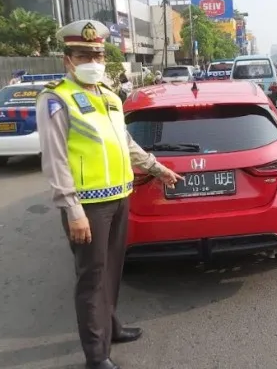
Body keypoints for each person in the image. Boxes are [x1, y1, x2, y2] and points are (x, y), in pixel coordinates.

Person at [36, 20, 182, 369]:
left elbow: (125, 144)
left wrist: (157, 168)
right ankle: (96, 355)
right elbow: (54, 159)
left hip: (119, 196)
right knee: (92, 277)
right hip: (87, 205)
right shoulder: (56, 99)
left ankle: (110, 326)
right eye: (84, 54)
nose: (93, 59)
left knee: (112, 269)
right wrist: (72, 209)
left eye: (98, 53)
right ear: (67, 59)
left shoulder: (109, 96)